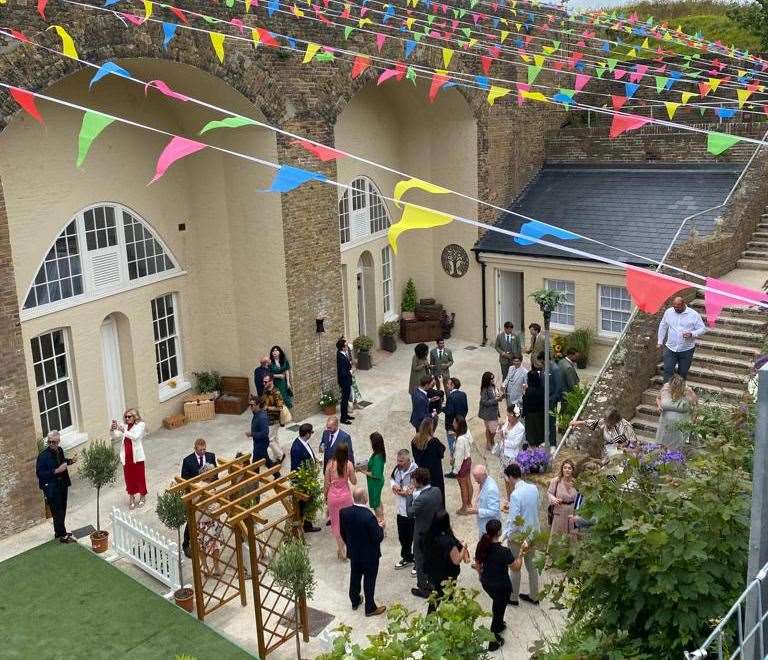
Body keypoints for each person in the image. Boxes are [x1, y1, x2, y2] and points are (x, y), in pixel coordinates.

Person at [474, 519, 525, 651]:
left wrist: (481, 576)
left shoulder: (482, 544)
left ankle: (500, 625)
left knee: (497, 606)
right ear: (499, 532)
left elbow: (478, 564)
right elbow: (516, 568)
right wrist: (521, 554)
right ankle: (493, 641)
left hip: (487, 583)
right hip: (501, 587)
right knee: (498, 612)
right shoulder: (504, 551)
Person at [339, 486, 387, 617]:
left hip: (354, 552)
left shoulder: (344, 512)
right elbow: (378, 537)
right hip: (369, 555)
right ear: (365, 498)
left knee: (355, 576)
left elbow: (343, 532)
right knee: (369, 579)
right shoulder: (369, 517)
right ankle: (370, 607)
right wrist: (380, 527)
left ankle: (354, 600)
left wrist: (349, 545)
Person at [503, 463, 540, 606]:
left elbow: (514, 520)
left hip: (519, 536)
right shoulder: (533, 488)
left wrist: (506, 535)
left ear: (510, 477)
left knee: (515, 567)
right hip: (533, 532)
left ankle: (513, 597)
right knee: (532, 566)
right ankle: (534, 595)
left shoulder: (515, 494)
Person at [407, 467, 443, 598]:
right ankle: (433, 581)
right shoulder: (437, 491)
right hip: (435, 530)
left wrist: (409, 496)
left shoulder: (422, 498)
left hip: (422, 533)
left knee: (420, 559)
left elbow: (410, 513)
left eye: (414, 481)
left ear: (418, 481)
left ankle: (423, 587)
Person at [424, 510, 469, 612]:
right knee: (448, 596)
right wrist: (464, 547)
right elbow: (456, 560)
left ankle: (430, 619)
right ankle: (447, 618)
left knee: (435, 595)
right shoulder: (448, 541)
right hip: (447, 575)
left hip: (434, 572)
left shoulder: (429, 535)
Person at [36, 430, 76, 543]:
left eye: (54, 442)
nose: (52, 444)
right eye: (50, 442)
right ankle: (62, 535)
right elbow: (40, 474)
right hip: (52, 487)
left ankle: (59, 533)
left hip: (62, 484)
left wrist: (70, 461)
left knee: (62, 509)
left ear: (58, 441)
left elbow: (62, 462)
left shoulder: (60, 450)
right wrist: (56, 471)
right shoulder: (43, 456)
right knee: (56, 511)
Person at [181, 438, 217, 555]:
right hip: (196, 495)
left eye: (204, 450)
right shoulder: (188, 461)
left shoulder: (211, 456)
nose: (203, 452)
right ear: (195, 448)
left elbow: (215, 474)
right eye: (200, 450)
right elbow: (184, 479)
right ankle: (187, 544)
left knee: (208, 518)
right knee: (192, 520)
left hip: (208, 492)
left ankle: (208, 542)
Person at [658, 296, 706, 382]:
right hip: (671, 348)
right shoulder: (669, 312)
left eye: (678, 307)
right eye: (674, 306)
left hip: (686, 349)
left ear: (683, 304)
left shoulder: (694, 314)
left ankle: (679, 393)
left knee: (682, 373)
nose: (675, 309)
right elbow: (663, 326)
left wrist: (692, 334)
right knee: (667, 370)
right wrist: (660, 341)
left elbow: (702, 329)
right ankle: (666, 392)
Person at [324, 442, 357, 560]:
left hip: (333, 497)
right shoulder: (348, 465)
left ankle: (340, 550)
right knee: (346, 524)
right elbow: (354, 482)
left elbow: (326, 484)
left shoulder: (330, 465)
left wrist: (325, 497)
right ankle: (344, 549)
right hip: (345, 498)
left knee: (336, 524)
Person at [110, 408, 147, 509]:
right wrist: (113, 429)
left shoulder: (140, 425)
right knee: (129, 479)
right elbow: (116, 435)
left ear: (134, 417)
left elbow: (135, 437)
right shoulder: (125, 426)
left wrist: (123, 430)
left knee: (140, 477)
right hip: (126, 457)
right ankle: (131, 497)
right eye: (125, 417)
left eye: (129, 416)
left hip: (137, 457)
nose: (127, 418)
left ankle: (142, 496)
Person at [290, 423, 321, 533]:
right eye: (311, 432)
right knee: (302, 505)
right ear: (307, 434)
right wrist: (302, 482)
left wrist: (314, 460)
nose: (312, 434)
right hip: (303, 483)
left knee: (308, 503)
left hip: (308, 479)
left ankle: (307, 525)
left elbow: (308, 454)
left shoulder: (303, 442)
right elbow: (295, 468)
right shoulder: (297, 448)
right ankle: (300, 526)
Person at [391, 448, 418, 569]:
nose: (399, 463)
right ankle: (407, 557)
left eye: (401, 461)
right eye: (398, 460)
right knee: (403, 536)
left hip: (412, 511)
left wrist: (406, 491)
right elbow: (392, 479)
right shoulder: (397, 469)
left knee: (415, 537)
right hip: (400, 510)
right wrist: (394, 486)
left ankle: (418, 562)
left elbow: (416, 488)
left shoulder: (416, 471)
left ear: (408, 460)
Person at [570, 407, 638, 456]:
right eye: (605, 419)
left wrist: (624, 448)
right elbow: (594, 423)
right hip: (609, 452)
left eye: (608, 421)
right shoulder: (604, 422)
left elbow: (633, 442)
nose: (605, 422)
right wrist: (578, 422)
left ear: (614, 420)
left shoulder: (625, 426)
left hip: (623, 454)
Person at [655, 374, 698, 450]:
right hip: (665, 426)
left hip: (680, 427)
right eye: (673, 388)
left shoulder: (688, 391)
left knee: (676, 450)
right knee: (662, 448)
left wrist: (693, 421)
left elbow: (696, 406)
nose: (675, 390)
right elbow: (658, 398)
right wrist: (659, 406)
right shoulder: (665, 388)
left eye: (678, 388)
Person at [411, 417, 446, 505]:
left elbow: (416, 457)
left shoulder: (414, 441)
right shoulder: (434, 442)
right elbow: (441, 452)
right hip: (435, 474)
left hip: (422, 473)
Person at [495, 405, 526, 504]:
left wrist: (504, 439)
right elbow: (502, 432)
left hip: (512, 457)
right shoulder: (507, 422)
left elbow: (515, 444)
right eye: (507, 415)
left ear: (515, 416)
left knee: (512, 481)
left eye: (509, 416)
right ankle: (508, 500)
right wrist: (500, 431)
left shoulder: (520, 428)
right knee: (505, 479)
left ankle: (513, 502)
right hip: (503, 454)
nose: (507, 417)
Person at [357, 432, 386, 524]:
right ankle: (382, 519)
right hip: (376, 482)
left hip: (375, 483)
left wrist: (362, 470)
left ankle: (381, 522)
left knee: (376, 504)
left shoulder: (377, 457)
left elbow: (375, 474)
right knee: (378, 501)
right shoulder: (379, 453)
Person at [444, 377, 468, 478]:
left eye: (448, 384)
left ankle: (455, 470)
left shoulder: (450, 397)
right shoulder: (463, 394)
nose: (447, 385)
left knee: (453, 447)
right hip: (461, 423)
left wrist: (442, 407)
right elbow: (466, 408)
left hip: (451, 426)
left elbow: (449, 412)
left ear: (453, 385)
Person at [536, 350, 562, 448]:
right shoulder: (544, 368)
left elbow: (558, 386)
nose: (541, 363)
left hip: (551, 400)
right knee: (544, 421)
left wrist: (553, 399)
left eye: (542, 361)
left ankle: (553, 444)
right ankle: (545, 439)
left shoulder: (555, 369)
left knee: (551, 422)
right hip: (544, 399)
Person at [547, 459, 578, 537]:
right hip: (559, 512)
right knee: (557, 538)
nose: (567, 470)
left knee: (571, 537)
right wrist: (553, 499)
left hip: (571, 514)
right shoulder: (556, 481)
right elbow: (549, 493)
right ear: (562, 469)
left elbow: (579, 498)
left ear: (572, 470)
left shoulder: (576, 483)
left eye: (569, 468)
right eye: (565, 468)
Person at [468, 464, 501, 536]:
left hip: (490, 528)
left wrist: (477, 511)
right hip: (484, 524)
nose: (475, 481)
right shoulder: (485, 480)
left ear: (484, 475)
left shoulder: (491, 489)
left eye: (477, 478)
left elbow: (494, 511)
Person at [452, 416, 473, 515]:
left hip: (462, 463)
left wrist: (455, 471)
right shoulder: (466, 432)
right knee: (468, 482)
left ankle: (464, 508)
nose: (453, 424)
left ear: (458, 425)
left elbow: (459, 457)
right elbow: (471, 441)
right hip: (468, 459)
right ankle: (469, 503)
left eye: (454, 423)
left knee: (462, 486)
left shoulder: (460, 440)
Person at [246, 397, 273, 470]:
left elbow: (265, 433)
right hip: (258, 442)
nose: (250, 407)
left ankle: (254, 480)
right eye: (249, 405)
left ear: (258, 405)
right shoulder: (256, 413)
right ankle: (277, 475)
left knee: (255, 464)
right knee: (266, 461)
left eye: (252, 405)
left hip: (261, 443)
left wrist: (252, 434)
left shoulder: (262, 417)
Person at [522, 367, 546, 447]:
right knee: (539, 430)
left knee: (531, 432)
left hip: (530, 415)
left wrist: (523, 414)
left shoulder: (528, 390)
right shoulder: (541, 389)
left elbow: (525, 402)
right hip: (540, 414)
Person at [479, 371, 502, 451]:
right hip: (488, 413)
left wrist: (499, 396)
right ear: (487, 380)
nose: (493, 380)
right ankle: (489, 442)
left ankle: (490, 442)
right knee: (492, 429)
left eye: (493, 378)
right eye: (491, 378)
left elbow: (496, 395)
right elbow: (484, 402)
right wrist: (496, 400)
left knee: (490, 429)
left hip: (494, 412)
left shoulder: (493, 386)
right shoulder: (485, 389)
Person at [259, 375, 284, 444]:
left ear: (271, 381)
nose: (264, 383)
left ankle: (280, 454)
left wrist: (267, 407)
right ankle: (278, 453)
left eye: (265, 382)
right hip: (267, 417)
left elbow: (280, 407)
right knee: (274, 437)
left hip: (274, 418)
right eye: (263, 382)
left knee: (269, 439)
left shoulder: (276, 392)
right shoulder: (265, 390)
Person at [268, 345, 293, 409]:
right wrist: (278, 375)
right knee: (278, 398)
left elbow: (287, 371)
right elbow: (268, 374)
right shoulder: (270, 362)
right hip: (275, 383)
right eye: (273, 351)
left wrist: (288, 382)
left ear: (279, 352)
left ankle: (286, 413)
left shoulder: (284, 360)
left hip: (283, 382)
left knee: (285, 397)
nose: (274, 352)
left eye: (276, 350)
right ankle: (280, 413)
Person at [337, 337, 354, 424]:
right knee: (344, 399)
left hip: (347, 380)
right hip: (344, 381)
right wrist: (350, 372)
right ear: (343, 347)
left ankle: (346, 415)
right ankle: (343, 418)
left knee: (346, 398)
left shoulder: (343, 353)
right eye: (346, 345)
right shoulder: (341, 357)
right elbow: (343, 371)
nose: (347, 346)